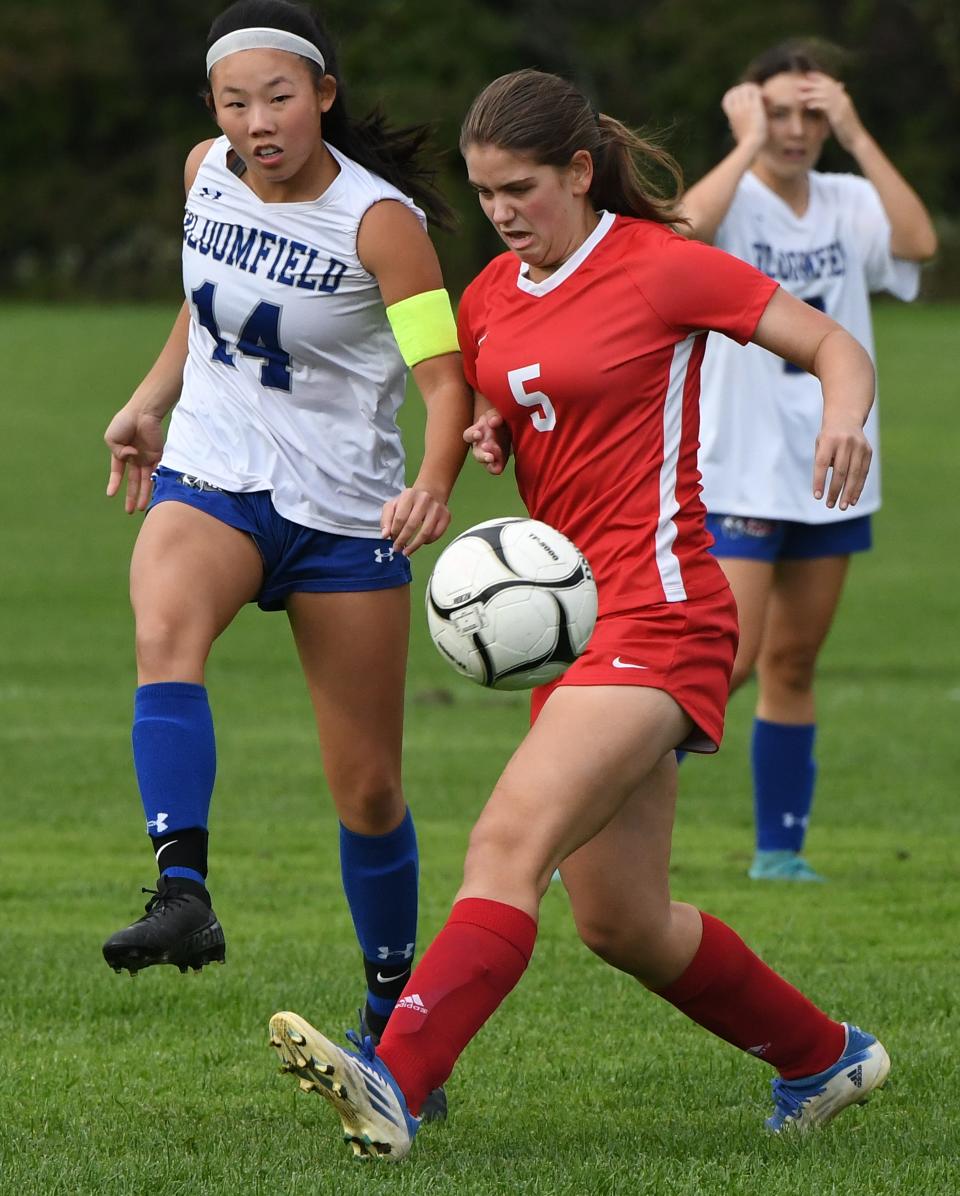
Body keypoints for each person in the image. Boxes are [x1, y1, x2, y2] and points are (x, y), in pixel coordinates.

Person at [266, 68, 891, 1161]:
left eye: (522, 188)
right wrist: (494, 435)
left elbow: (832, 343)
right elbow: (514, 404)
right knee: (622, 919)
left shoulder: (662, 270)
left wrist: (846, 418)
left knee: (507, 841)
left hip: (664, 609)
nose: (503, 211)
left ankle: (396, 1078)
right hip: (580, 629)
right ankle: (823, 1053)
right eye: (485, 191)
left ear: (580, 172)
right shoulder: (492, 296)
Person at [100, 0, 471, 1117]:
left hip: (346, 515)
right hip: (211, 476)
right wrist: (150, 398)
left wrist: (435, 478)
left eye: (278, 97)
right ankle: (183, 888)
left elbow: (445, 380)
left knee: (367, 789)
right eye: (234, 101)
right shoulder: (202, 173)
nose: (257, 121)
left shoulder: (381, 224)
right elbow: (205, 300)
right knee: (164, 627)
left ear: (323, 95)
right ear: (212, 111)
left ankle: (396, 1014)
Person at [680, 39, 937, 881]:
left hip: (834, 472)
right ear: (748, 111)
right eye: (778, 113)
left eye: (811, 115)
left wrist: (860, 134)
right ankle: (594, 817)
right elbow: (683, 230)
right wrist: (746, 142)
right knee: (728, 662)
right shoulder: (736, 197)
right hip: (742, 469)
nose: (796, 131)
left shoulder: (846, 197)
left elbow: (919, 242)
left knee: (792, 664)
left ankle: (779, 854)